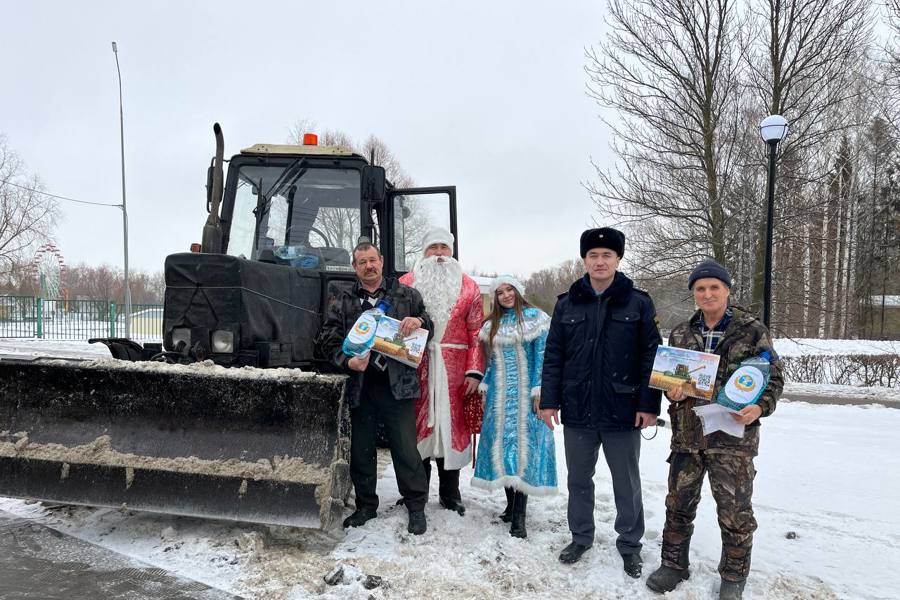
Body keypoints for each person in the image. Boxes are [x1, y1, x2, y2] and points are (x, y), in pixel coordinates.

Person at [646, 259, 783, 600]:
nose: (707, 294)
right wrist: (671, 390)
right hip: (688, 436)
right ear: (694, 293)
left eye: (713, 288)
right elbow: (670, 380)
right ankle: (673, 564)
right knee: (678, 503)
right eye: (700, 289)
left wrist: (759, 407)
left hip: (733, 439)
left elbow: (774, 378)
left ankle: (733, 577)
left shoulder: (752, 330)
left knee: (735, 511)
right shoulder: (681, 332)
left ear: (727, 291)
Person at [540, 227, 661, 578]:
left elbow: (650, 355)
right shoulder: (567, 303)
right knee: (579, 479)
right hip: (577, 408)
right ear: (584, 260)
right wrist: (549, 401)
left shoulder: (638, 302)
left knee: (626, 482)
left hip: (623, 409)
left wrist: (649, 404)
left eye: (607, 255)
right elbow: (554, 356)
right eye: (593, 255)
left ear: (618, 259)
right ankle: (581, 536)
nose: (600, 261)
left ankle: (629, 544)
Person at [316, 241, 433, 535]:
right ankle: (366, 506)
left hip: (398, 385)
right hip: (361, 385)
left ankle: (416, 506)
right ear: (355, 267)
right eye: (362, 262)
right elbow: (327, 339)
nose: (369, 266)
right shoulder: (342, 300)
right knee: (361, 449)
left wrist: (418, 320)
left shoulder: (407, 295)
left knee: (406, 449)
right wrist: (347, 362)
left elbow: (429, 326)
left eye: (373, 260)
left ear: (381, 261)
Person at [399, 227, 485, 515]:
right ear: (423, 252)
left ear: (451, 251)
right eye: (433, 248)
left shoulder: (470, 287)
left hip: (455, 369)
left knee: (452, 428)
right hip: (415, 366)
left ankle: (450, 493)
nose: (438, 254)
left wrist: (474, 371)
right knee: (417, 428)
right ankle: (417, 492)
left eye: (443, 248)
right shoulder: (405, 284)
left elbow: (476, 333)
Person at [471, 275, 556, 538]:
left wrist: (539, 390)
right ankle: (510, 506)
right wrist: (485, 386)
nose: (506, 295)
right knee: (503, 451)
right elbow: (492, 363)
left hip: (525, 397)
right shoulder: (493, 324)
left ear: (518, 291)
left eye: (510, 290)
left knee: (523, 454)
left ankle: (520, 517)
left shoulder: (535, 317)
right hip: (499, 397)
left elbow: (543, 356)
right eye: (500, 292)